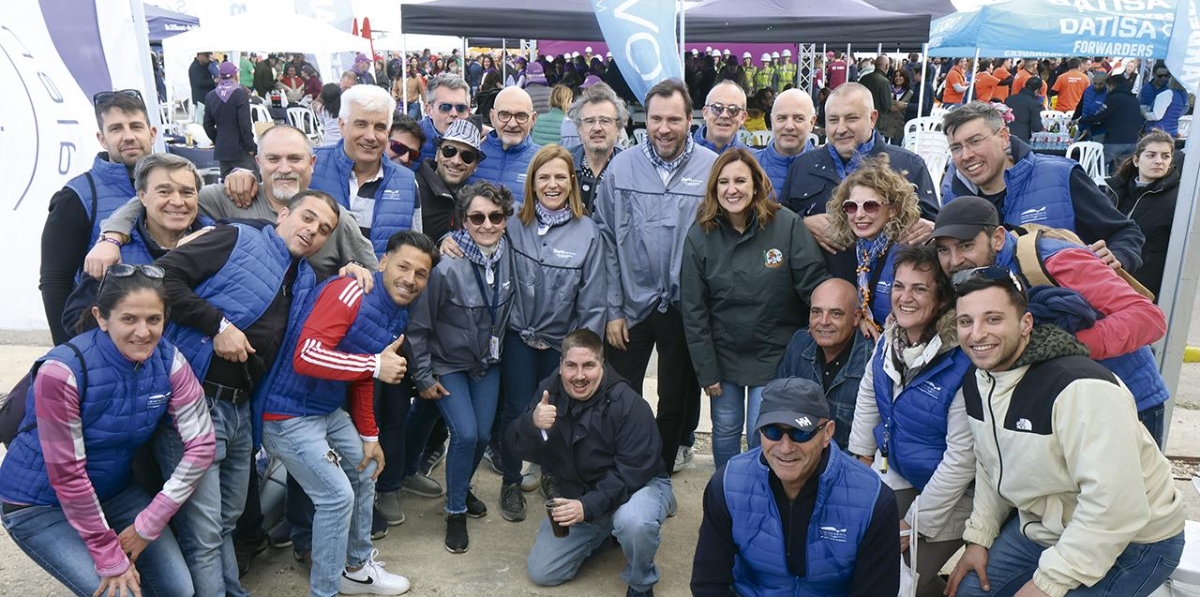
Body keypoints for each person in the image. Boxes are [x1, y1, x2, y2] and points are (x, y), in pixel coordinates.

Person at [945, 269, 1185, 597]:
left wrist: (1048, 583)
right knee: (970, 591)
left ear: (1026, 324)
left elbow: (1114, 506)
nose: (977, 334)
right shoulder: (980, 380)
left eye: (993, 319)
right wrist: (979, 538)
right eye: (965, 322)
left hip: (1135, 538)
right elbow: (990, 465)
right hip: (1047, 527)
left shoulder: (1080, 388)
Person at [153, 191, 341, 597]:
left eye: (324, 229)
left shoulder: (305, 277)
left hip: (240, 410)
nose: (313, 231)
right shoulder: (235, 237)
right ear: (284, 212)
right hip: (195, 399)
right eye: (308, 218)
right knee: (203, 531)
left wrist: (357, 272)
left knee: (225, 523)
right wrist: (217, 326)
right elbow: (159, 278)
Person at [0, 266, 215, 597]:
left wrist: (149, 523)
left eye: (153, 320)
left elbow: (201, 444)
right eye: (129, 319)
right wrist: (108, 555)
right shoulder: (62, 371)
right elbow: (68, 475)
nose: (143, 332)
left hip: (113, 492)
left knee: (178, 590)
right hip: (39, 505)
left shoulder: (170, 360)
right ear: (102, 318)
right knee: (120, 594)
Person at [257, 232, 437, 596]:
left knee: (367, 467)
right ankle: (325, 590)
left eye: (421, 273)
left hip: (325, 409)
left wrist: (370, 436)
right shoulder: (351, 290)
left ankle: (357, 568)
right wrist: (374, 364)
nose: (410, 278)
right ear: (383, 262)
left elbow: (363, 373)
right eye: (403, 266)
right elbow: (306, 355)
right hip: (287, 413)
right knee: (336, 497)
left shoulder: (396, 313)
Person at [930, 196, 1171, 445]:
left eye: (966, 246)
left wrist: (1069, 344)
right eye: (943, 250)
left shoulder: (1054, 260)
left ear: (998, 238)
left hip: (1127, 403)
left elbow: (1149, 317)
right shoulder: (975, 275)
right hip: (1061, 406)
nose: (955, 260)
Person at [593, 78, 718, 475]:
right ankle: (619, 469)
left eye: (674, 119)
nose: (664, 128)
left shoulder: (711, 168)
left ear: (689, 120)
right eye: (656, 118)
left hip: (685, 307)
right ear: (644, 119)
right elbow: (606, 241)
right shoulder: (622, 166)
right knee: (620, 394)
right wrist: (614, 309)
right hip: (632, 304)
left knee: (674, 399)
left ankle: (658, 474)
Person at [681, 149, 828, 469]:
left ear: (756, 185)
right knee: (726, 429)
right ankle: (727, 493)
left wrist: (839, 314)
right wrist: (706, 369)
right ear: (714, 188)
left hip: (774, 354)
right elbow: (694, 310)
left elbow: (814, 285)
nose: (731, 189)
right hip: (724, 355)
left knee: (763, 430)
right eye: (723, 182)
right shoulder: (700, 235)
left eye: (740, 180)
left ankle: (760, 494)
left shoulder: (785, 224)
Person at [691, 377, 900, 596]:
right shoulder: (727, 484)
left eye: (801, 432)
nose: (785, 447)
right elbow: (709, 583)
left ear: (827, 432)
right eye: (772, 431)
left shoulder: (873, 500)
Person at [507, 329, 673, 597]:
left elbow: (634, 472)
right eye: (571, 365)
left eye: (589, 366)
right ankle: (608, 532)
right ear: (560, 365)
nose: (579, 376)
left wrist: (588, 506)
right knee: (543, 572)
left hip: (637, 487)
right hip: (583, 494)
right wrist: (531, 424)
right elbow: (515, 448)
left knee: (634, 522)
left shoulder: (629, 404)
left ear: (602, 365)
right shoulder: (549, 394)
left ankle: (641, 583)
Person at [848, 245, 974, 597]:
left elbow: (962, 459)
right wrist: (862, 457)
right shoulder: (891, 339)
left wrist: (912, 524)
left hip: (959, 494)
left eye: (919, 288)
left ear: (942, 298)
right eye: (899, 286)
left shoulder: (961, 358)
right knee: (858, 550)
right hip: (902, 467)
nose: (905, 297)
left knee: (895, 578)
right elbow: (870, 391)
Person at [496, 146, 606, 522]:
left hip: (561, 342)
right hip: (517, 336)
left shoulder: (587, 232)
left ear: (572, 182)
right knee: (516, 410)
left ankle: (552, 475)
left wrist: (580, 351)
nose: (552, 184)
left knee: (557, 413)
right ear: (532, 183)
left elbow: (592, 299)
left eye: (560, 176)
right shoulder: (512, 222)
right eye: (544, 177)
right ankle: (511, 479)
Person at [407, 181, 515, 554]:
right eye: (477, 217)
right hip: (448, 363)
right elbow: (419, 326)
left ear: (506, 218)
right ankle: (455, 512)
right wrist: (423, 375)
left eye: (496, 216)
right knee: (466, 434)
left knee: (484, 436)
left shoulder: (511, 253)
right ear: (463, 221)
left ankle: (460, 487)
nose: (487, 224)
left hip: (488, 362)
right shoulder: (445, 264)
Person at [940, 101, 1146, 274]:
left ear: (1003, 137)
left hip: (1066, 315)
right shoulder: (954, 198)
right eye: (956, 148)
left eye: (975, 141)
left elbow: (1125, 232)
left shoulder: (1060, 176)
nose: (966, 155)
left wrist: (1118, 256)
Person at [779, 83, 939, 282]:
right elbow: (781, 222)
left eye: (851, 118)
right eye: (833, 120)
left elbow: (934, 227)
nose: (840, 129)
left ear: (872, 118)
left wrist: (931, 228)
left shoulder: (908, 165)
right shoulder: (803, 165)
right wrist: (802, 223)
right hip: (818, 295)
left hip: (886, 299)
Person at [40, 89, 158, 345]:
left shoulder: (176, 187)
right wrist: (69, 351)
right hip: (103, 344)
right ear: (102, 138)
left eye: (135, 126)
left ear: (152, 133)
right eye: (116, 129)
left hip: (165, 341)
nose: (128, 136)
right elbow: (55, 281)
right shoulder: (77, 196)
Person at [62, 154, 212, 330]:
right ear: (142, 197)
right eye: (164, 191)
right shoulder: (112, 255)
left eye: (187, 192)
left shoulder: (221, 242)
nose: (177, 202)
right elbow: (77, 320)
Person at [307, 84, 422, 254]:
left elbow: (414, 251)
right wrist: (251, 177)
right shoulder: (311, 164)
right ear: (342, 126)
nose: (370, 136)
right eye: (361, 124)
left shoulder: (406, 182)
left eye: (380, 127)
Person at [823, 156, 922, 337]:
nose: (859, 215)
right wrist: (860, 318)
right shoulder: (850, 250)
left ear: (893, 209)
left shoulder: (908, 252)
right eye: (851, 206)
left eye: (870, 206)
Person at [776, 278, 871, 449]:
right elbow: (777, 406)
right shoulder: (800, 343)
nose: (824, 321)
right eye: (816, 312)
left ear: (856, 317)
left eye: (836, 313)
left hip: (847, 464)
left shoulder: (872, 361)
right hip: (797, 454)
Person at [1107, 131, 1179, 299]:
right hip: (1111, 276)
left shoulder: (1177, 198)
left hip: (1147, 284)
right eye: (1151, 155)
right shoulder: (1116, 189)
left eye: (1165, 156)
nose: (1159, 161)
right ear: (1136, 160)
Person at [470, 86, 541, 206]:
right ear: (492, 117)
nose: (512, 124)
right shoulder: (471, 154)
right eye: (504, 115)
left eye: (521, 116)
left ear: (533, 119)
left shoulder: (542, 161)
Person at [566, 82, 627, 211]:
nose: (597, 128)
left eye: (605, 121)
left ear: (618, 128)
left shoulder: (629, 168)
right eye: (590, 121)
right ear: (579, 128)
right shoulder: (563, 164)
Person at [752, 88, 817, 193]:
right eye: (781, 118)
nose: (789, 126)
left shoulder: (828, 170)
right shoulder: (751, 167)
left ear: (812, 123)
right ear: (772, 121)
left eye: (798, 118)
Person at [1080, 74, 1145, 169]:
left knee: (1095, 167)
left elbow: (1099, 117)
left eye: (1108, 86)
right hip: (1132, 141)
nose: (1107, 90)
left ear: (1112, 85)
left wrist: (1082, 121)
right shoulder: (1133, 99)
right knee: (1120, 171)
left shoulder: (1113, 98)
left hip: (1115, 140)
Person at [204, 62, 257, 177]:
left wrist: (218, 139)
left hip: (222, 149)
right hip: (241, 149)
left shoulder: (211, 96)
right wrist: (250, 147)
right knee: (251, 185)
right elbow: (244, 124)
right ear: (235, 76)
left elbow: (207, 125)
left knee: (227, 188)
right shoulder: (239, 94)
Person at [416, 74, 472, 165]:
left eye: (461, 108)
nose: (454, 114)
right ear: (429, 110)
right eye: (445, 107)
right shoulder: (411, 140)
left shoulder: (480, 141)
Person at [694, 81, 748, 154]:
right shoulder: (681, 155)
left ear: (743, 117)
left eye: (733, 110)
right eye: (717, 108)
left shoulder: (753, 160)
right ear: (705, 113)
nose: (724, 115)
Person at [1140, 64, 1189, 137]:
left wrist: (1145, 113)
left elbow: (1156, 116)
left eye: (1166, 75)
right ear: (1153, 74)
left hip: (1157, 131)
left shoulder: (1167, 94)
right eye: (1160, 76)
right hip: (1169, 130)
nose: (1163, 78)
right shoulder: (1178, 94)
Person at [1003, 77, 1045, 143]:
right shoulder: (1035, 104)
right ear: (1037, 91)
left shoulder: (1009, 99)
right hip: (1022, 140)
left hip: (1005, 136)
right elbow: (1036, 127)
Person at [858, 55, 893, 131]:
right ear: (887, 66)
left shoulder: (864, 78)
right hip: (878, 121)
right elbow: (887, 105)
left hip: (862, 117)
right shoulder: (884, 81)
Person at [879, 67, 912, 143]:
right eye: (896, 76)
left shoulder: (909, 92)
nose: (898, 78)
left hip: (899, 127)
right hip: (886, 125)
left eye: (900, 76)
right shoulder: (888, 89)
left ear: (905, 78)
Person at [190, 52, 217, 122]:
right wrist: (214, 81)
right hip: (200, 99)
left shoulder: (205, 65)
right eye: (206, 56)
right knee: (201, 121)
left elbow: (216, 70)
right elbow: (199, 83)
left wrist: (214, 62)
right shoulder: (194, 67)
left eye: (209, 56)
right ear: (199, 56)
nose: (208, 58)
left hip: (207, 98)